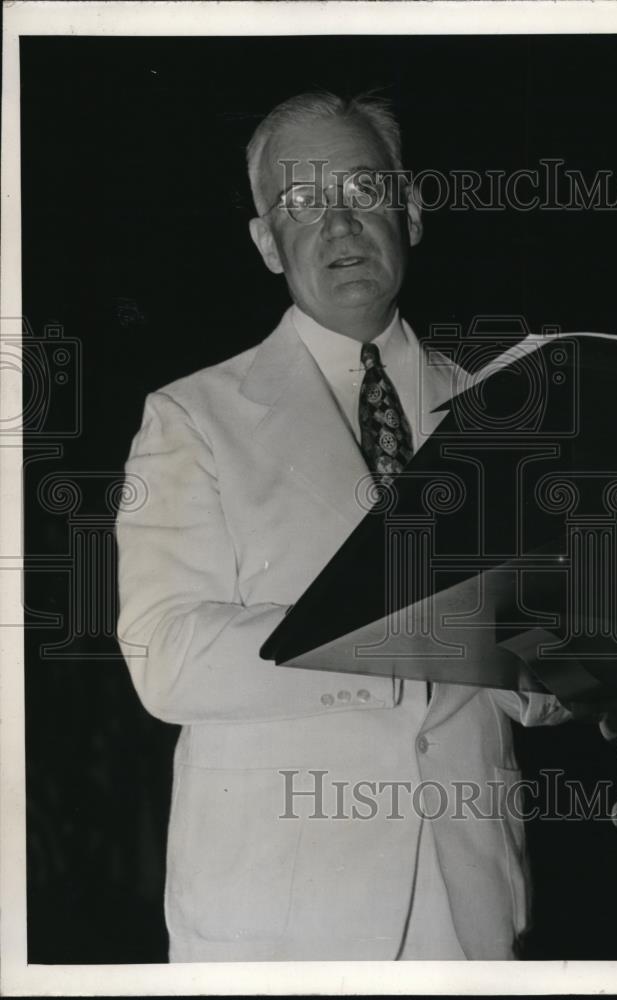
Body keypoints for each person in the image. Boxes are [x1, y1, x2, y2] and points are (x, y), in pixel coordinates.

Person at [116, 91, 570, 963]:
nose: (339, 224)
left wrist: (563, 653)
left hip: (468, 902)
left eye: (364, 192)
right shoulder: (192, 416)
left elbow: (555, 678)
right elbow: (166, 660)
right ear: (264, 242)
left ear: (411, 211)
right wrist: (398, 643)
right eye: (302, 203)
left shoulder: (505, 407)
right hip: (276, 913)